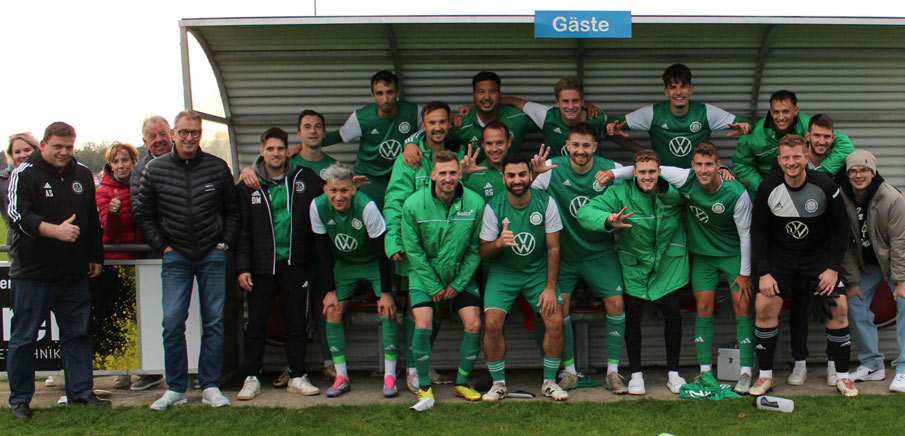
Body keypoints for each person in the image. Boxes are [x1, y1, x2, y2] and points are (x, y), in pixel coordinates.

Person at [604, 142, 755, 393]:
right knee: (703, 309)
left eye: (709, 165)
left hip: (732, 255)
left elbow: (746, 234)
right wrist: (613, 173)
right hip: (703, 256)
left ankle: (746, 371)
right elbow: (646, 170)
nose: (704, 170)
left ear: (719, 165)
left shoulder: (736, 193)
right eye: (699, 165)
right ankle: (705, 371)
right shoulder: (685, 178)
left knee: (742, 306)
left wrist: (745, 273)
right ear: (692, 165)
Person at [134, 110, 240, 410]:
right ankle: (176, 388)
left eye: (194, 132)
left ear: (200, 134)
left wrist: (224, 243)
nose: (189, 137)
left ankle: (210, 385)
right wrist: (162, 245)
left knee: (214, 321)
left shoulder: (217, 167)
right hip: (176, 256)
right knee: (172, 322)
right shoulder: (155, 169)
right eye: (183, 132)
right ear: (174, 134)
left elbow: (233, 211)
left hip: (212, 254)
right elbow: (143, 212)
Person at [6, 122, 107, 419]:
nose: (64, 152)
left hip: (74, 274)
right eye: (58, 147)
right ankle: (20, 400)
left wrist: (95, 256)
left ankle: (81, 392)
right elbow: (16, 216)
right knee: (24, 339)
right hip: (33, 274)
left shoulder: (82, 174)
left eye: (69, 147)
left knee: (77, 335)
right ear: (43, 146)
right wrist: (53, 231)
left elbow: (92, 220)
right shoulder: (24, 174)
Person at [747, 135, 856, 397]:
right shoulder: (768, 188)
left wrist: (832, 269)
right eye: (786, 157)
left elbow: (841, 229)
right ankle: (765, 376)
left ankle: (843, 377)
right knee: (764, 306)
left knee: (839, 307)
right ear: (779, 159)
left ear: (806, 157)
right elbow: (758, 232)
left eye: (797, 156)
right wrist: (764, 272)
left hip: (817, 259)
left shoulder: (825, 185)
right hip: (780, 259)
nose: (792, 162)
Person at [576, 149, 689, 395]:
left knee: (672, 314)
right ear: (634, 173)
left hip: (670, 262)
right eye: (642, 172)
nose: (647, 177)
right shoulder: (620, 192)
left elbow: (702, 180)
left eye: (652, 172)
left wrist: (724, 170)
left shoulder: (675, 191)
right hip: (634, 264)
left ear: (660, 172)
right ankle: (636, 375)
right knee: (633, 317)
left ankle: (674, 374)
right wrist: (608, 219)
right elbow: (584, 213)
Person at [529, 123, 628, 394]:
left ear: (595, 147)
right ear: (567, 146)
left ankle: (613, 372)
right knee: (559, 310)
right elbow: (523, 192)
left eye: (586, 145)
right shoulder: (552, 168)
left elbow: (641, 173)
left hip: (600, 253)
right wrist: (533, 175)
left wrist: (616, 173)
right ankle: (570, 372)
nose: (580, 151)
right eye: (575, 145)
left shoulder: (609, 168)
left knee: (617, 305)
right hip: (564, 255)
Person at [235, 127, 323, 401]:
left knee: (296, 321)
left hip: (296, 264)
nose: (275, 153)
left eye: (280, 148)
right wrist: (242, 267)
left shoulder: (304, 178)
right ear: (262, 151)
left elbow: (329, 195)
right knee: (256, 322)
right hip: (261, 267)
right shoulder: (248, 185)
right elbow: (242, 231)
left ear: (288, 151)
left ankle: (297, 375)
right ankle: (252, 377)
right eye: (270, 149)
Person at [382, 101, 461, 392]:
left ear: (449, 124)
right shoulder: (409, 158)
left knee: (437, 309)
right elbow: (394, 202)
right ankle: (413, 370)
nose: (437, 128)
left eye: (442, 122)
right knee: (417, 308)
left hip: (448, 251)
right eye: (432, 123)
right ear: (423, 127)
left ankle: (421, 365)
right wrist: (393, 240)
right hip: (416, 250)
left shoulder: (457, 156)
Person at [479, 153, 569, 402]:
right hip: (504, 271)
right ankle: (498, 384)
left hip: (537, 271)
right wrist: (498, 243)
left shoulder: (546, 202)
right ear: (503, 178)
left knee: (555, 319)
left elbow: (554, 248)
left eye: (521, 174)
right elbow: (484, 251)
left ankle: (549, 382)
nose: (517, 180)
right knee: (492, 322)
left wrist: (550, 286)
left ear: (530, 175)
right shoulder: (494, 207)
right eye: (511, 175)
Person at [402, 151, 486, 411]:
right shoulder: (413, 204)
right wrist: (433, 286)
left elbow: (475, 249)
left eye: (452, 173)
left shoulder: (475, 202)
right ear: (432, 175)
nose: (448, 178)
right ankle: (424, 386)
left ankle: (461, 383)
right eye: (442, 173)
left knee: (474, 323)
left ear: (460, 174)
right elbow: (413, 250)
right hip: (423, 275)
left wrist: (458, 284)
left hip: (460, 275)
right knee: (423, 323)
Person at [310, 163, 398, 398]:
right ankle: (341, 376)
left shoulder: (366, 206)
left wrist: (385, 293)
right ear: (325, 189)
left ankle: (390, 376)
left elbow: (382, 251)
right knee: (332, 310)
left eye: (344, 190)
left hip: (373, 261)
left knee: (387, 309)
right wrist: (330, 291)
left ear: (353, 189)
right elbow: (322, 251)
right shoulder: (317, 206)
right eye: (333, 190)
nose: (339, 196)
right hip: (346, 263)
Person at [838, 150, 905, 392]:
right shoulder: (842, 197)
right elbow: (844, 243)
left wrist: (901, 281)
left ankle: (903, 369)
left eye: (864, 170)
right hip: (867, 264)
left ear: (873, 172)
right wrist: (853, 281)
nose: (858, 175)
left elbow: (900, 242)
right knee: (853, 302)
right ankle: (872, 364)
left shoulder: (891, 198)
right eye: (853, 171)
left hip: (895, 262)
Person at [607, 63, 750, 168]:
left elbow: (748, 123)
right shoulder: (653, 113)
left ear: (691, 89)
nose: (678, 92)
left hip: (697, 176)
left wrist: (746, 127)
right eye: (673, 87)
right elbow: (610, 129)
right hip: (664, 177)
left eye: (683, 86)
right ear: (666, 91)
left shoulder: (706, 112)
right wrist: (642, 151)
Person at [322, 71, 421, 209]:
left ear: (397, 92)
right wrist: (306, 145)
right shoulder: (362, 117)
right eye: (379, 93)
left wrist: (412, 142)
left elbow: (433, 127)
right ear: (373, 95)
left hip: (400, 177)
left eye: (390, 92)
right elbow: (339, 135)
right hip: (369, 179)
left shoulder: (414, 112)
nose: (385, 99)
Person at [124, 115, 172, 392]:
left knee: (195, 311)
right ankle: (152, 370)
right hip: (157, 250)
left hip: (195, 248)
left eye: (162, 133)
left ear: (172, 133)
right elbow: (139, 211)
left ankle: (194, 369)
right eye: (152, 136)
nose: (159, 140)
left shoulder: (192, 159)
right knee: (156, 310)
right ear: (144, 141)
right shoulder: (140, 170)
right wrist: (162, 243)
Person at [733, 91, 854, 194]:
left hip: (804, 186)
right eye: (776, 112)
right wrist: (765, 187)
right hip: (767, 189)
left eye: (785, 111)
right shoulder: (754, 135)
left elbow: (845, 146)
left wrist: (822, 171)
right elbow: (742, 165)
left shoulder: (807, 125)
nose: (781, 117)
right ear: (771, 112)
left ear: (796, 110)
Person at [94, 141, 143, 389]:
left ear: (134, 162)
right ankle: (123, 370)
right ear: (110, 165)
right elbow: (110, 233)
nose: (121, 165)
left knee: (144, 317)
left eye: (125, 160)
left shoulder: (143, 185)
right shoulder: (104, 192)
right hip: (118, 263)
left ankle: (149, 371)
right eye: (116, 161)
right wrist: (113, 213)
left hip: (144, 260)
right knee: (122, 318)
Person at [497, 76, 641, 157]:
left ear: (582, 101)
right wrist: (483, 103)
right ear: (557, 102)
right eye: (565, 101)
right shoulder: (546, 116)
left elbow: (615, 136)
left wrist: (642, 151)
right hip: (557, 179)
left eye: (575, 101)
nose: (570, 106)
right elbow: (514, 101)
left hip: (592, 177)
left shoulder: (597, 118)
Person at [461, 121, 510, 202]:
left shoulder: (523, 170)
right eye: (489, 143)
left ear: (509, 142)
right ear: (483, 144)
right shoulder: (473, 176)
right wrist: (463, 174)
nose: (494, 149)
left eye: (499, 143)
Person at [1, 133, 39, 226]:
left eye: (27, 150)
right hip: (16, 234)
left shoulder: (47, 175)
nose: (22, 155)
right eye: (17, 152)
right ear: (11, 155)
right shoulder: (2, 179)